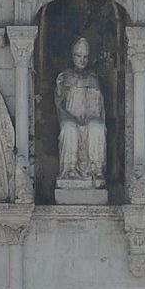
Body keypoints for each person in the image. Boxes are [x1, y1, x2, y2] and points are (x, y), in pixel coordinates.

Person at [56, 36, 107, 185]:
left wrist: (91, 117)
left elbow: (97, 104)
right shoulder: (65, 76)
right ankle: (69, 170)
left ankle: (96, 170)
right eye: (79, 56)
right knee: (68, 129)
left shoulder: (92, 77)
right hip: (70, 116)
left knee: (97, 128)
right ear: (73, 56)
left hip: (90, 116)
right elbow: (59, 102)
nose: (82, 60)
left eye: (85, 56)